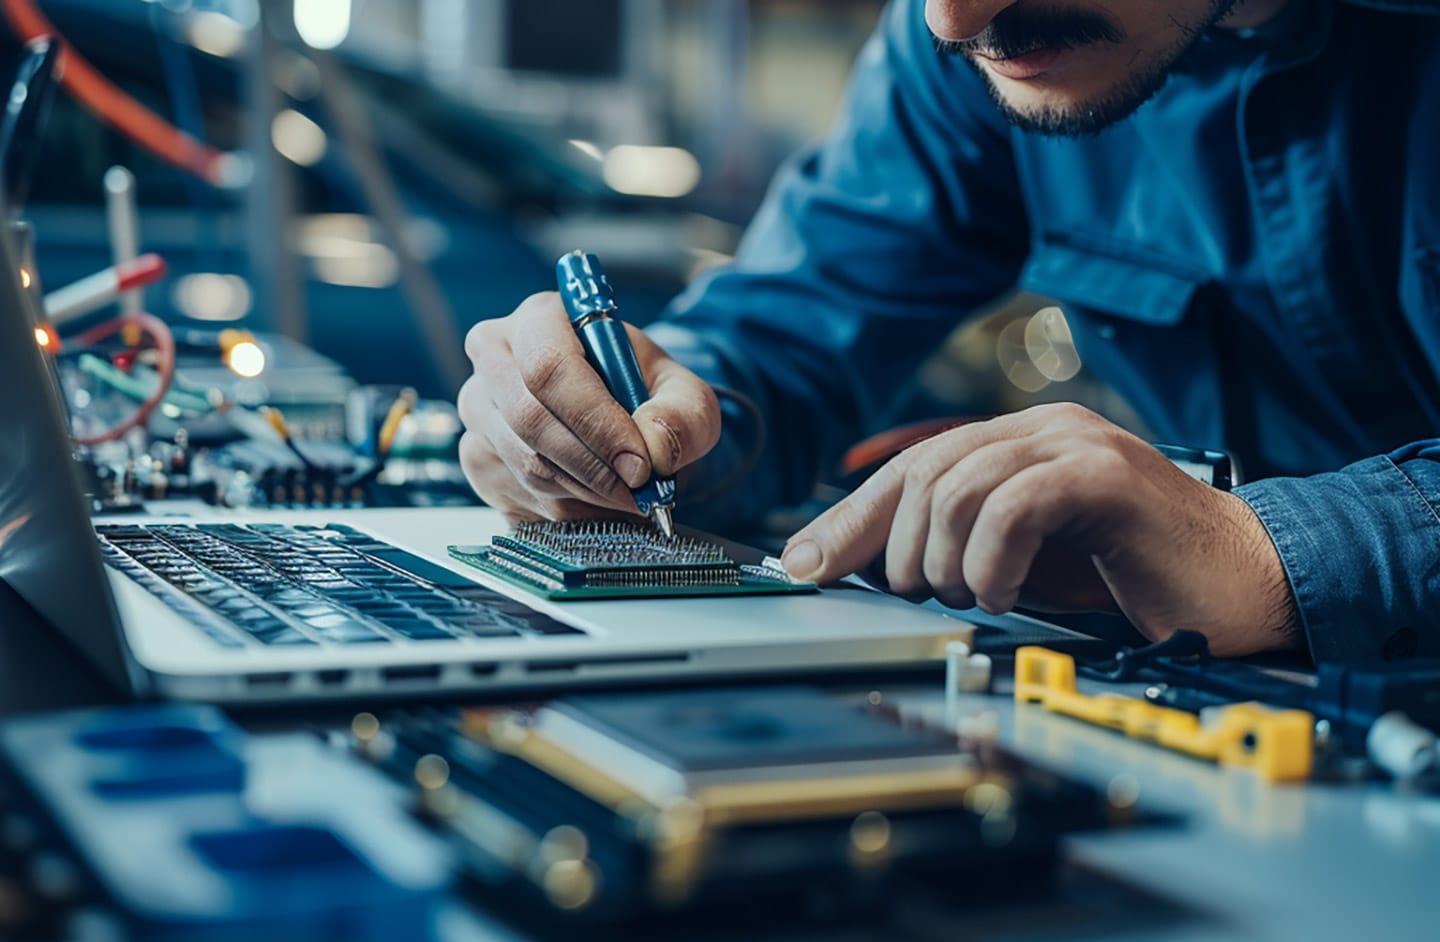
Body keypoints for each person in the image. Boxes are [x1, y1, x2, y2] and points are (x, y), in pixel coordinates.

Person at [457, 0, 1440, 664]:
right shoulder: (993, 42)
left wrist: (1267, 551)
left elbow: (1269, 557)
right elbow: (789, 332)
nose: (952, 20)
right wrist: (642, 421)